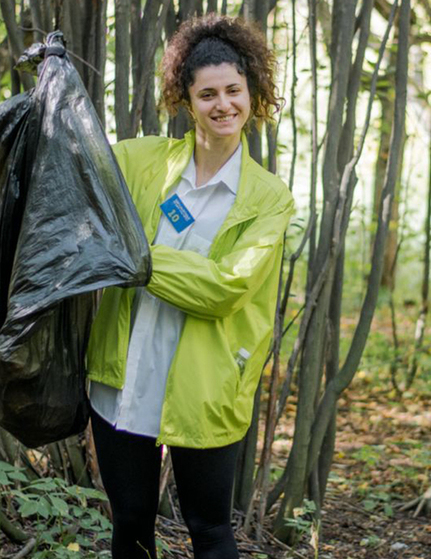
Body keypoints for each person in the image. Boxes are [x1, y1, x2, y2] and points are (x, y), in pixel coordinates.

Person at [85, 15, 294, 559]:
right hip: (122, 375)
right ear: (185, 98)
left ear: (253, 94)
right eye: (207, 94)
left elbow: (226, 288)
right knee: (129, 520)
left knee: (210, 529)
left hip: (207, 381)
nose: (223, 104)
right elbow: (73, 170)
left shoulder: (268, 197)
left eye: (233, 90)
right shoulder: (140, 161)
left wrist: (134, 255)